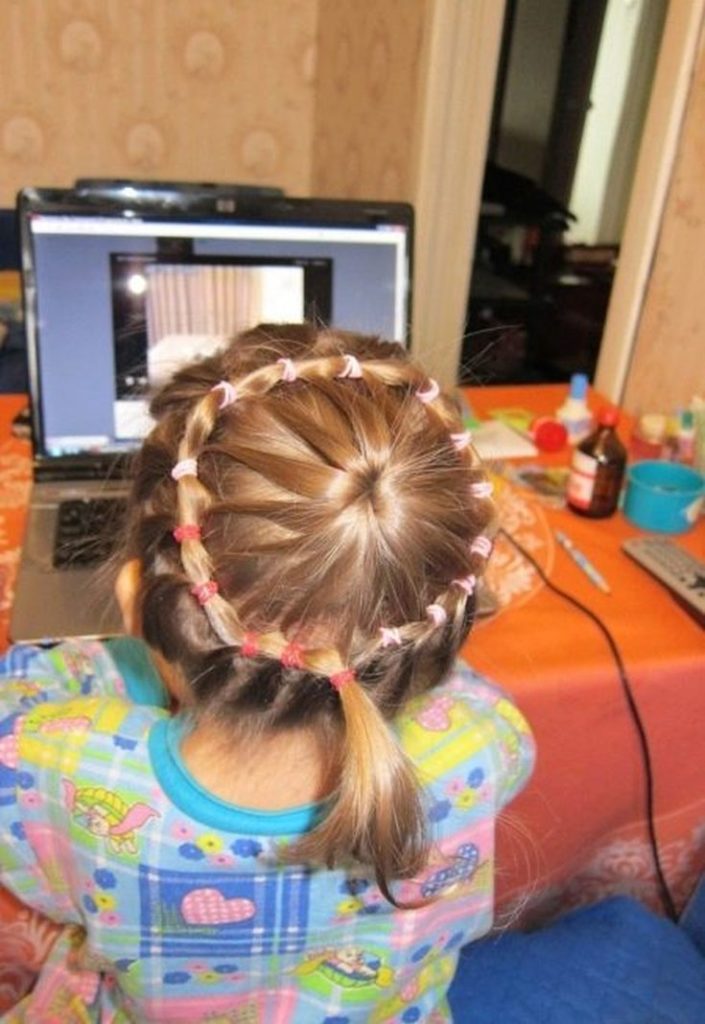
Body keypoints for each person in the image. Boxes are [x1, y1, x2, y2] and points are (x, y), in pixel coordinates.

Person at [0, 323, 534, 1022]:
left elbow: (20, 696)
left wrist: (126, 658)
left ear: (139, 600)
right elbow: (444, 688)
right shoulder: (485, 740)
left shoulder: (56, 766)